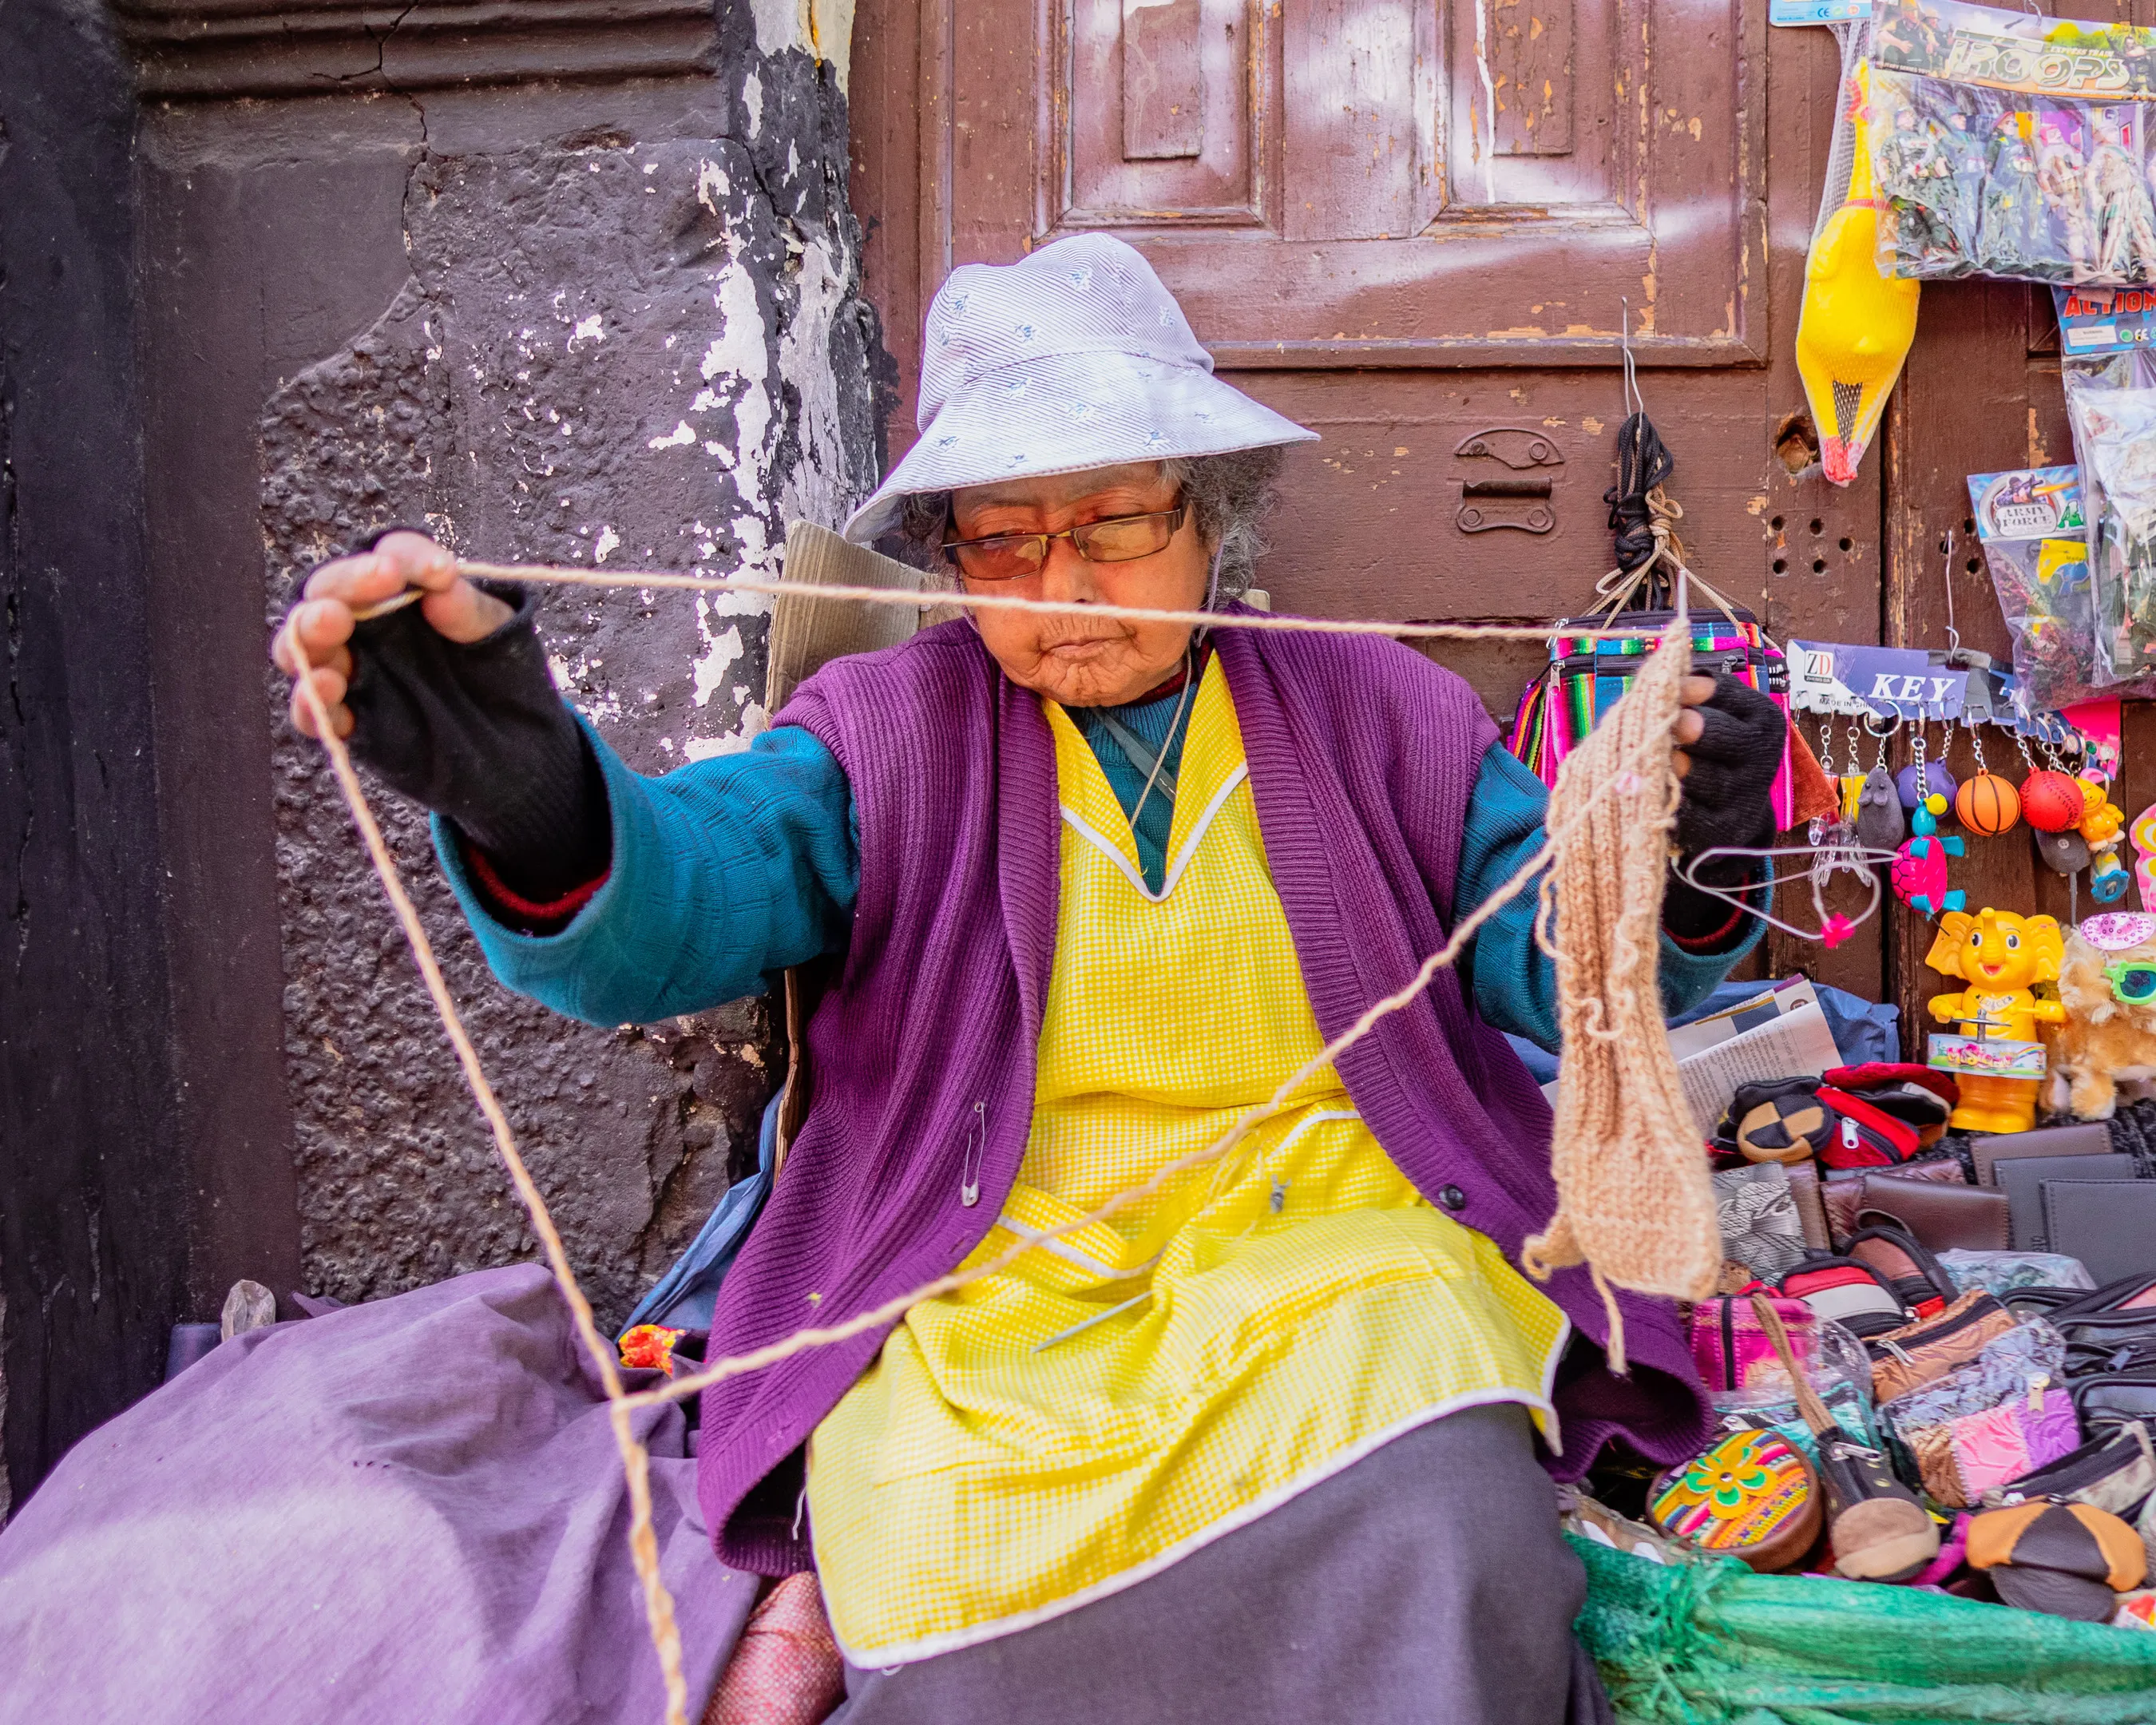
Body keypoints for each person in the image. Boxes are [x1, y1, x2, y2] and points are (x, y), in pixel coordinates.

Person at [6, 234, 1783, 1725]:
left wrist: (1673, 851)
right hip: (985, 1294)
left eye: (1114, 525)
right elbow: (690, 894)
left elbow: (1571, 979)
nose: (1064, 581)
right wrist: (536, 795)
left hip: (1326, 1255)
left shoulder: (1379, 712)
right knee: (927, 1540)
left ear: (1212, 518)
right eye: (1004, 544)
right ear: (947, 561)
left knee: (1444, 1502)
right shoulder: (884, 734)